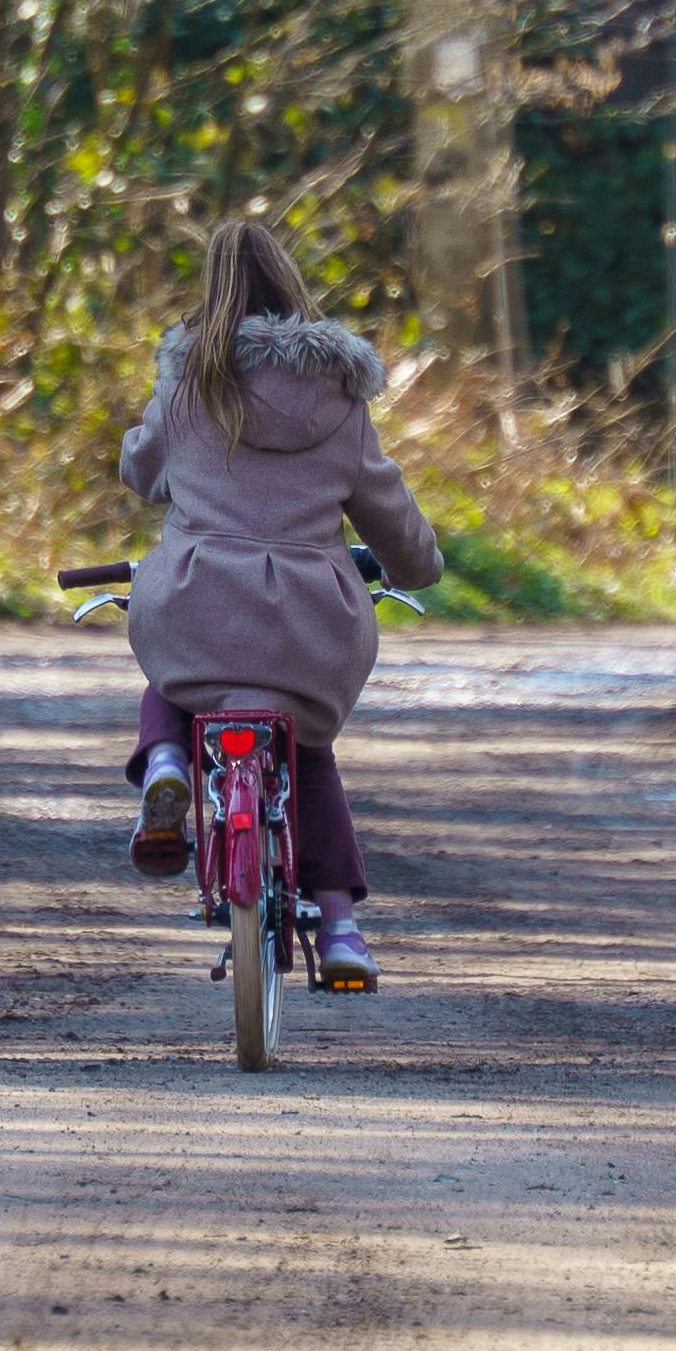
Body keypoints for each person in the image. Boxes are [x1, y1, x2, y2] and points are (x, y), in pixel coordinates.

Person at [116, 217, 441, 993]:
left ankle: (166, 763)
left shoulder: (188, 381)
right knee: (308, 750)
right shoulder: (340, 397)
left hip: (199, 597)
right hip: (311, 624)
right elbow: (385, 506)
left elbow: (141, 470)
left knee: (172, 673)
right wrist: (416, 567)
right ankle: (341, 928)